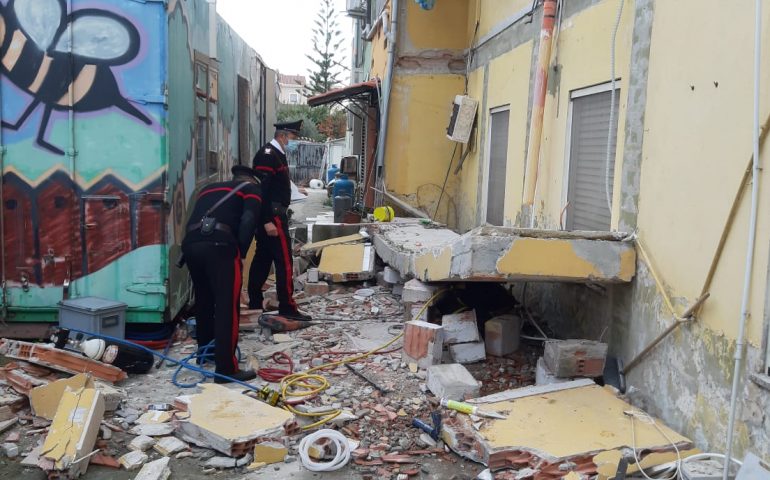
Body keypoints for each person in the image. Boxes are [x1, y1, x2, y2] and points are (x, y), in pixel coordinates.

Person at [181, 165, 262, 383]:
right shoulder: (251, 189)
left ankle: (204, 354)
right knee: (227, 304)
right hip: (221, 245)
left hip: (191, 244)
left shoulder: (208, 188)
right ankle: (226, 368)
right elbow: (248, 220)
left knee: (204, 301)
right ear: (252, 180)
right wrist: (242, 253)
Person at [248, 120, 311, 321]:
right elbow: (262, 190)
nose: (294, 142)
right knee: (284, 261)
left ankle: (255, 303)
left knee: (263, 259)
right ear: (283, 136)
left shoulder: (277, 154)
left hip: (274, 213)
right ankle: (287, 306)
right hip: (272, 215)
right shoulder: (267, 156)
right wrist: (266, 220)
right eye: (293, 138)